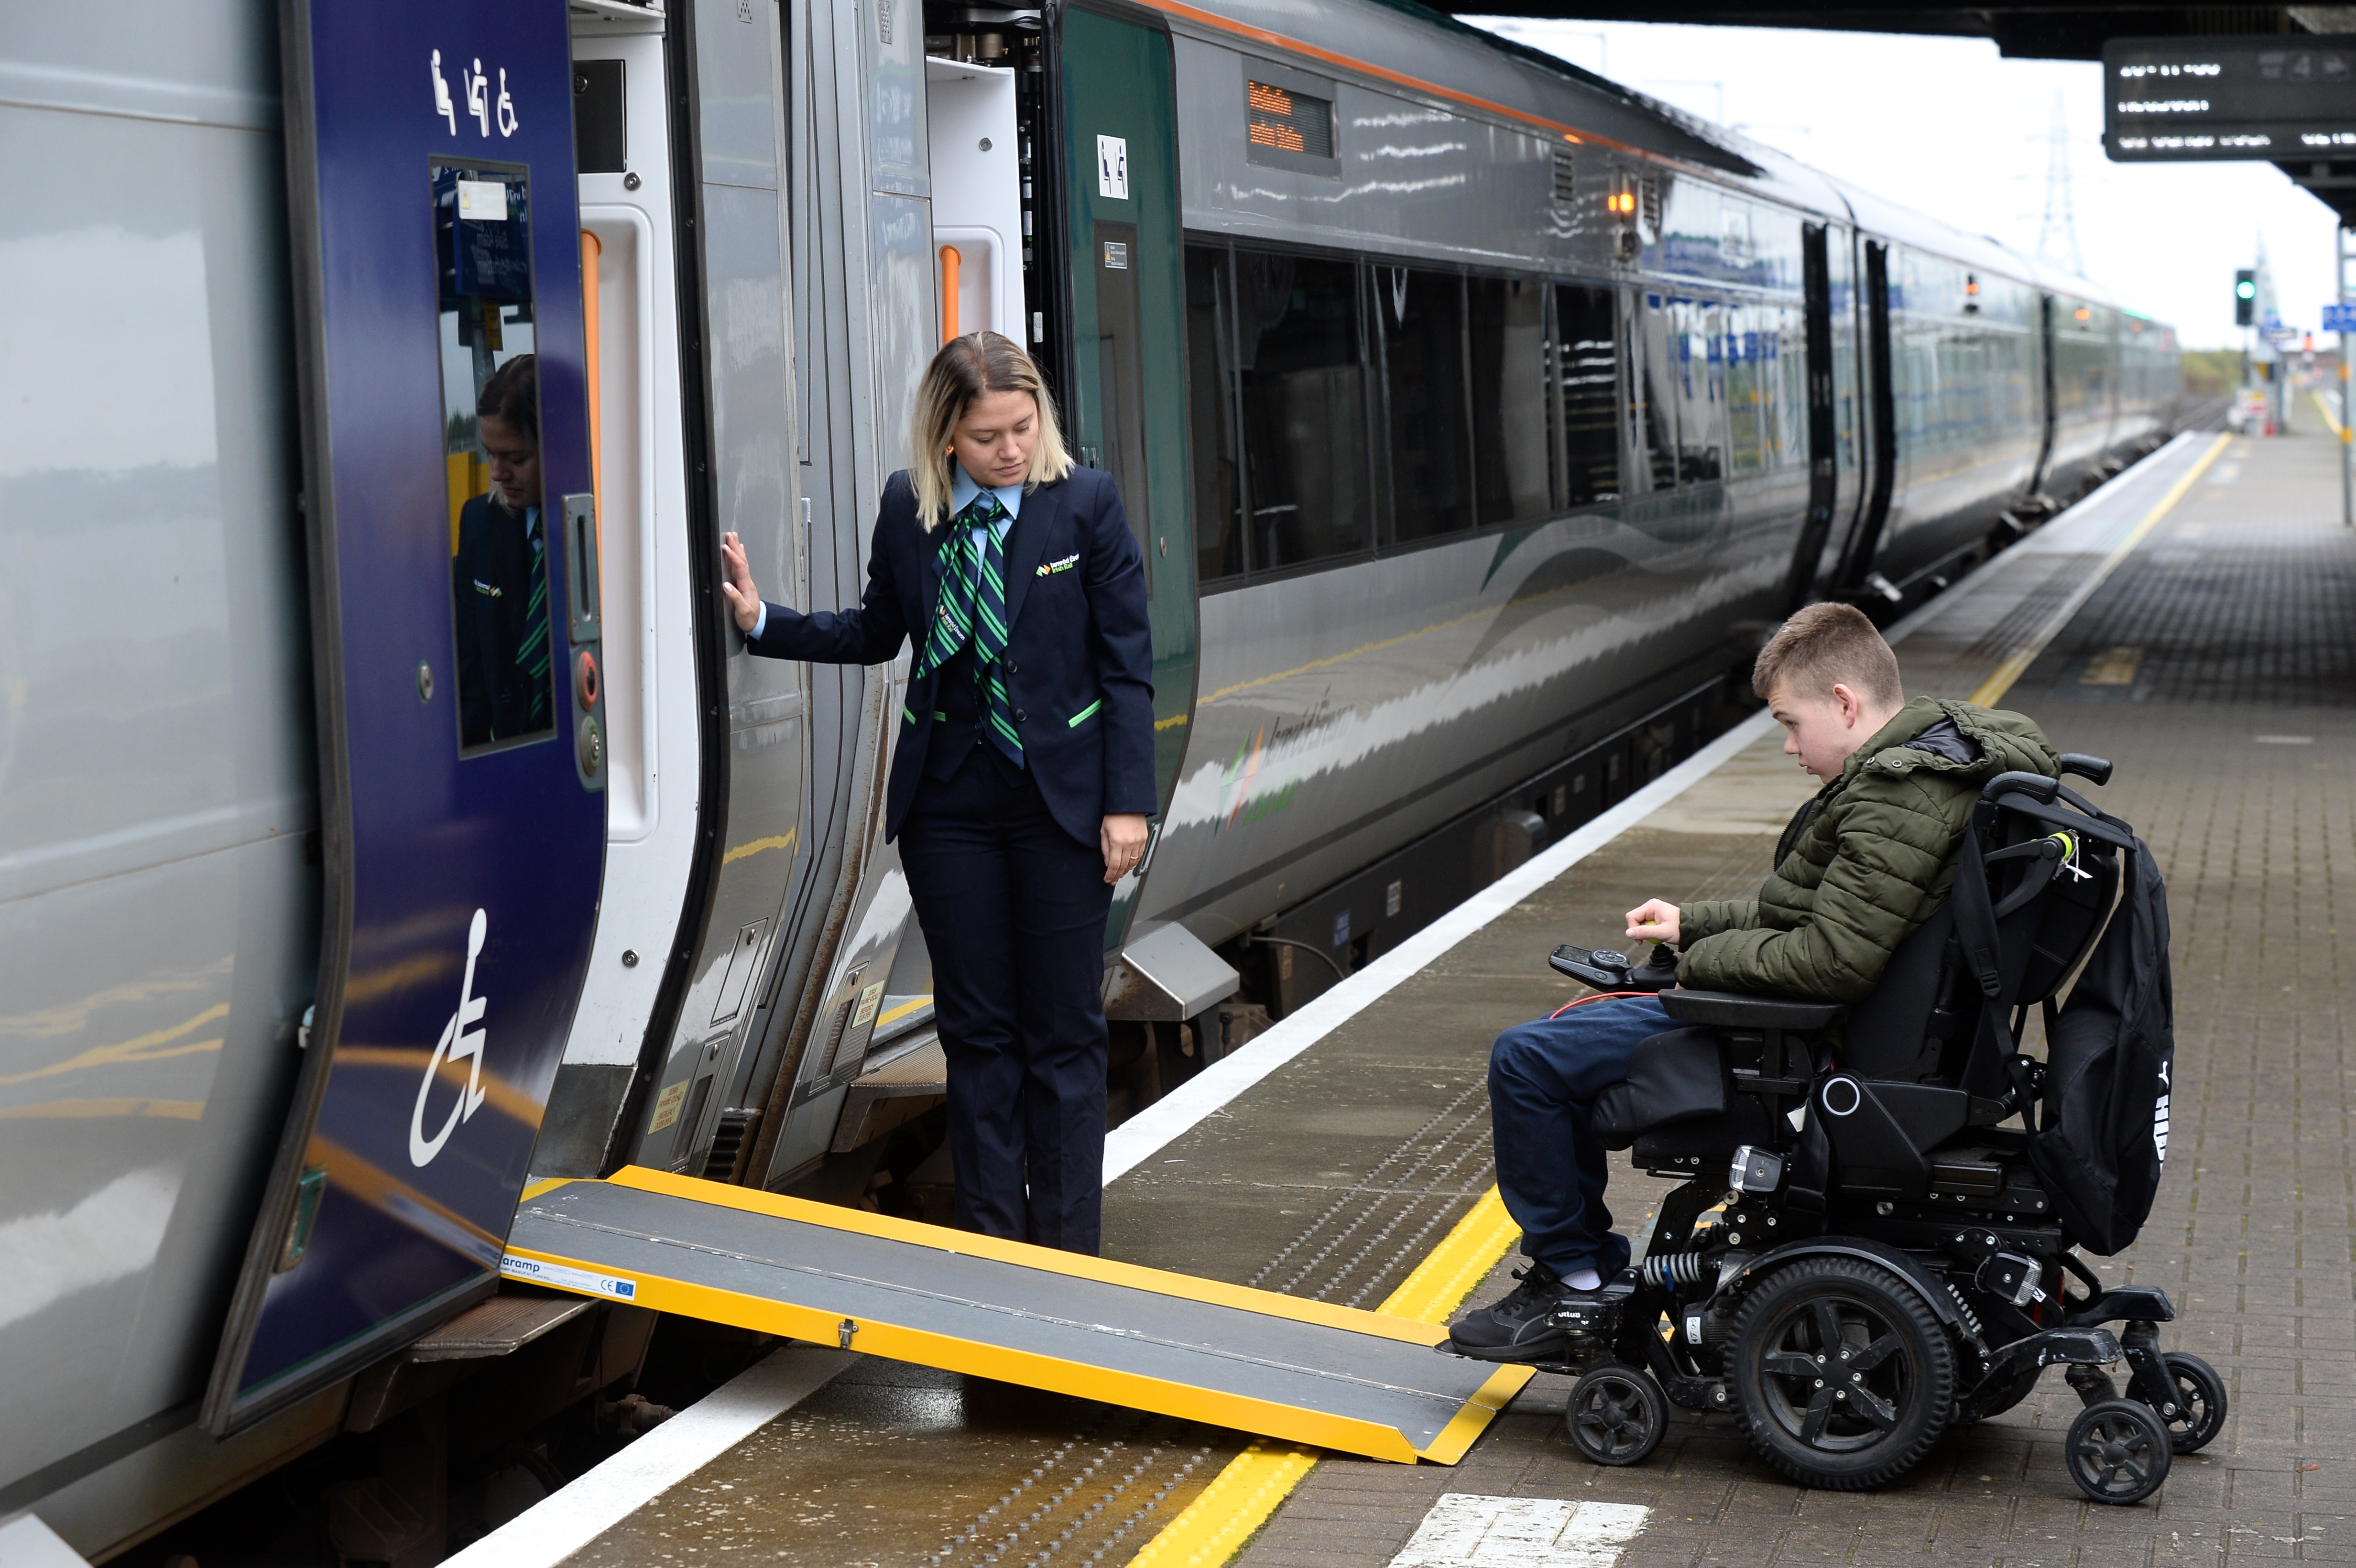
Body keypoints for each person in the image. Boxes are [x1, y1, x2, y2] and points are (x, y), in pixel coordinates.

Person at [1448, 602, 2061, 1360]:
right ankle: (1576, 1271)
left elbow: (1834, 958)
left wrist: (1691, 970)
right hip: (1829, 1027)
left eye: (1790, 722)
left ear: (1844, 702)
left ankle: (1572, 1284)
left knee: (1529, 1058)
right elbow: (1811, 910)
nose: (1786, 745)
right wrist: (1692, 924)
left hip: (1796, 1047)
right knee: (1574, 1031)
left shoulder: (1896, 799)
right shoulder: (1935, 770)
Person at [719, 331, 1155, 1255]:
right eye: (990, 435)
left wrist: (1129, 804)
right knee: (979, 1036)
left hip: (1061, 807)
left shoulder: (1083, 504)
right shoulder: (908, 508)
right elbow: (880, 630)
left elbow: (1125, 668)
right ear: (945, 436)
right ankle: (995, 1254)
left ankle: (1068, 1252)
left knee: (1063, 1034)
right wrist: (763, 620)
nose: (1011, 450)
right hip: (949, 808)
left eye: (1023, 428)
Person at [452, 355, 554, 749]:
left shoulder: (602, 528)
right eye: (489, 453)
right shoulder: (479, 521)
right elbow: (471, 671)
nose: (496, 472)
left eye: (516, 458)